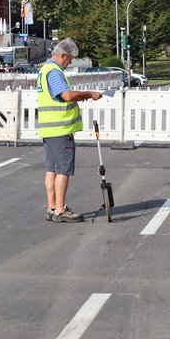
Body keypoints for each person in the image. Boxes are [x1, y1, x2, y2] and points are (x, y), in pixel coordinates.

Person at [37, 38, 103, 222]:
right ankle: (60, 209)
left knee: (52, 169)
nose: (71, 62)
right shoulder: (55, 72)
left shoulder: (44, 69)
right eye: (70, 58)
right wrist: (89, 94)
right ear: (63, 55)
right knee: (63, 170)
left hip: (49, 128)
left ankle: (52, 207)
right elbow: (65, 95)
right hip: (60, 128)